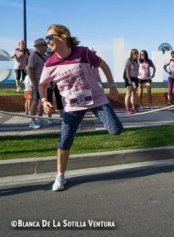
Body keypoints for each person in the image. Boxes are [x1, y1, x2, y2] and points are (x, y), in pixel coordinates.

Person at [39, 24, 123, 191]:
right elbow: (42, 84)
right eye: (46, 39)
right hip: (72, 106)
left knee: (116, 130)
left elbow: (103, 65)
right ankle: (60, 177)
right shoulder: (50, 63)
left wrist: (112, 86)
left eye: (49, 37)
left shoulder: (83, 52)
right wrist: (44, 100)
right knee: (65, 140)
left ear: (62, 37)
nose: (47, 41)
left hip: (96, 99)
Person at [27, 38, 48, 129]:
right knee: (35, 101)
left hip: (44, 82)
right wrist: (34, 83)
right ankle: (32, 121)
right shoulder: (33, 55)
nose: (46, 47)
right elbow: (30, 69)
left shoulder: (46, 56)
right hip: (37, 81)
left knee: (42, 100)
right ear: (39, 46)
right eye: (44, 45)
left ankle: (40, 118)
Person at [123, 49, 139, 114]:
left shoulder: (136, 62)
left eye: (137, 53)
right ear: (131, 54)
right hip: (130, 79)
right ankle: (127, 109)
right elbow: (127, 71)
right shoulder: (129, 60)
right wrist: (129, 79)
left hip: (135, 79)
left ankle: (133, 107)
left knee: (134, 93)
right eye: (134, 53)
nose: (136, 54)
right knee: (128, 93)